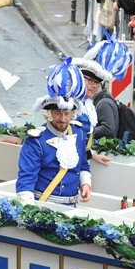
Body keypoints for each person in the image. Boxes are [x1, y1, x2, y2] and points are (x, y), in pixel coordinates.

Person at [16, 58, 92, 206]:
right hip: (44, 206)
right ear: (49, 114)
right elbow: (26, 180)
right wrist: (29, 211)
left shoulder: (79, 133)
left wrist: (85, 184)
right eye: (57, 113)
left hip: (72, 206)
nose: (62, 119)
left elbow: (83, 165)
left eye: (67, 114)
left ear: (72, 114)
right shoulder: (36, 141)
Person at [76, 35, 133, 165]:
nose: (94, 86)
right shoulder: (70, 103)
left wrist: (91, 155)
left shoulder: (88, 104)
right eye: (91, 81)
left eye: (97, 82)